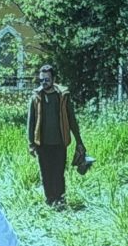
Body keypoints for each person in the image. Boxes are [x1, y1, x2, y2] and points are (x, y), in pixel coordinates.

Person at [27, 65, 85, 208]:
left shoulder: (63, 96)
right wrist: (31, 144)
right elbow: (30, 122)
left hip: (60, 142)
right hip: (42, 143)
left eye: (47, 79)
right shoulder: (36, 97)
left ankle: (60, 200)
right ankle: (50, 200)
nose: (44, 82)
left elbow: (72, 119)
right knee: (45, 174)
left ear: (54, 79)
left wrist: (79, 141)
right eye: (41, 80)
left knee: (59, 173)